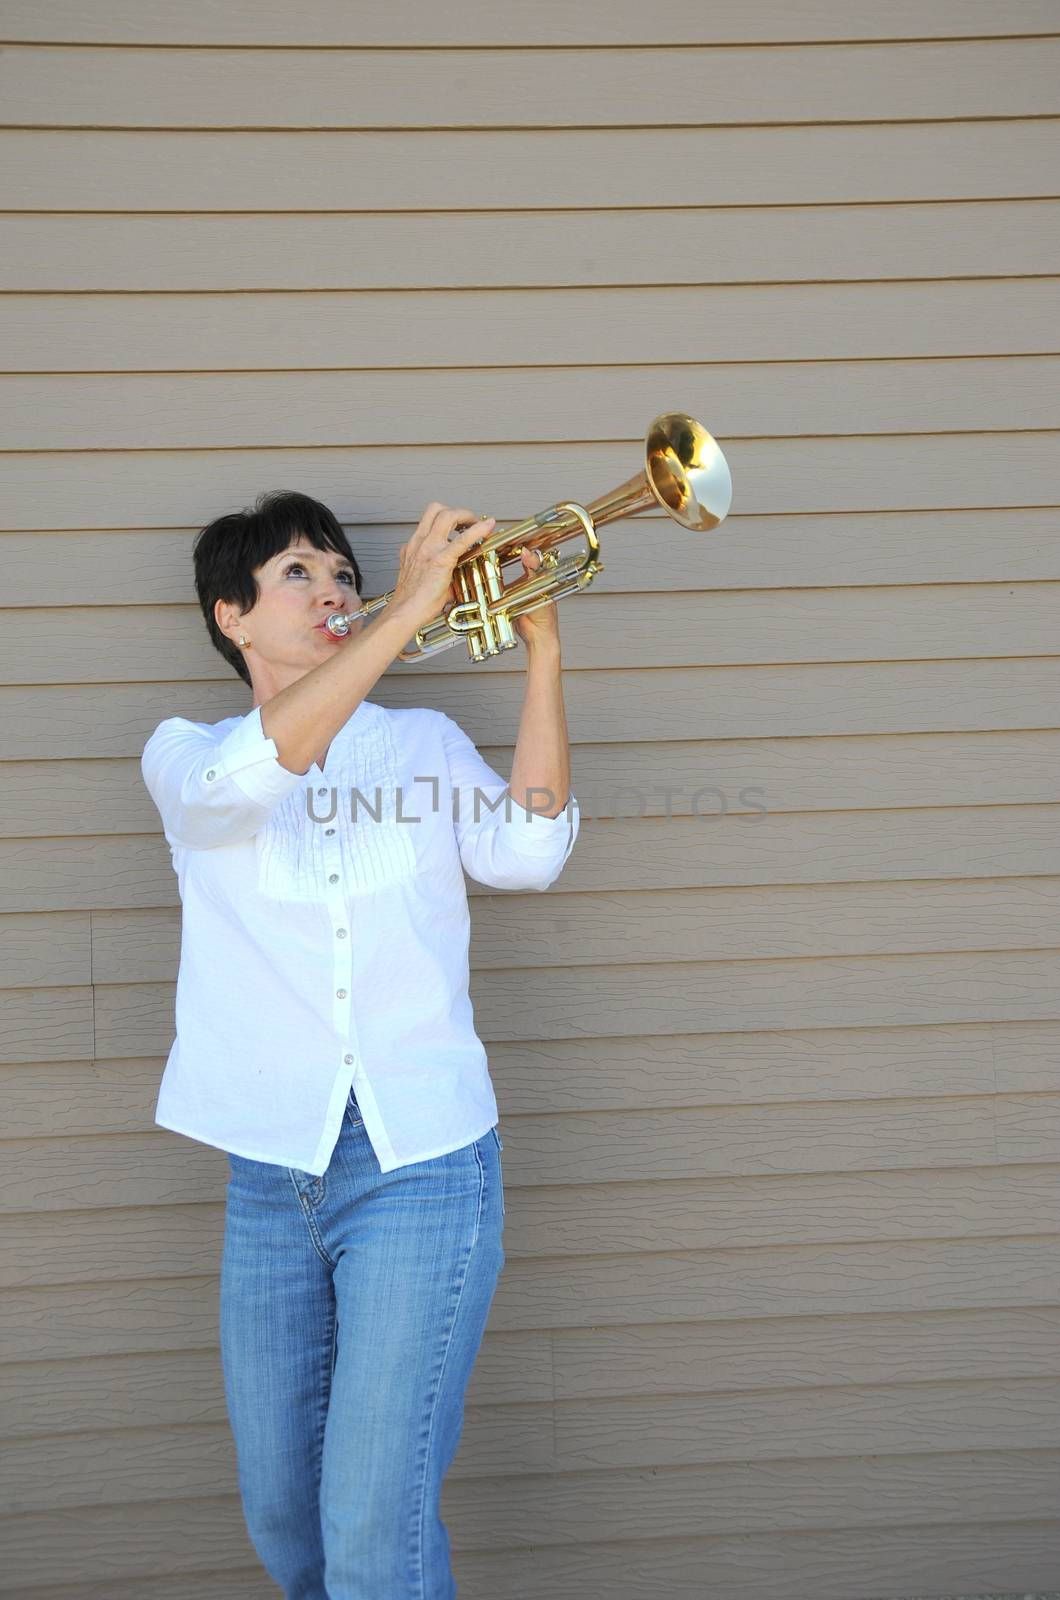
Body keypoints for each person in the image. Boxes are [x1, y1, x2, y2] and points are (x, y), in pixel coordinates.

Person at [139, 489, 580, 1599]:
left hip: (425, 1165)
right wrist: (405, 613)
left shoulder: (422, 741)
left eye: (344, 573)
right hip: (271, 1169)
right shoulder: (189, 756)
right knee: (284, 1508)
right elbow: (255, 780)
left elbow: (525, 855)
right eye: (300, 573)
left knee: (374, 1522)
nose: (335, 588)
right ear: (229, 616)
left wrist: (543, 655)